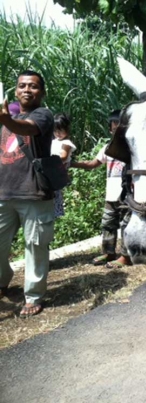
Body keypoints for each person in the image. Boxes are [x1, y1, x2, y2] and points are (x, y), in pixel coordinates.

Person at [0, 70, 54, 317]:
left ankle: (33, 296)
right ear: (15, 90)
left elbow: (26, 128)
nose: (27, 90)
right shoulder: (7, 118)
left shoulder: (42, 116)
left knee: (35, 246)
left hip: (34, 193)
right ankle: (3, 280)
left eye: (33, 86)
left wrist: (5, 120)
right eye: (22, 86)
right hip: (4, 194)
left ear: (41, 92)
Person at [70, 110, 132, 268]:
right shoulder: (107, 148)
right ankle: (109, 252)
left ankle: (126, 256)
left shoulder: (133, 147)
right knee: (108, 223)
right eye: (114, 127)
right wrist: (71, 163)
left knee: (126, 224)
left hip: (128, 194)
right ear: (110, 129)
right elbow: (93, 164)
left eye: (121, 127)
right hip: (111, 195)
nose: (117, 130)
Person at [51, 113, 76, 217]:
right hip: (52, 170)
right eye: (55, 130)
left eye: (61, 130)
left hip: (58, 172)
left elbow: (64, 156)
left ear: (67, 129)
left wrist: (50, 160)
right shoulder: (53, 141)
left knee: (55, 194)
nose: (58, 133)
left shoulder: (66, 143)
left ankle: (56, 213)